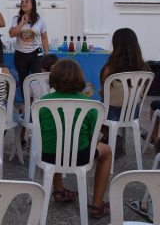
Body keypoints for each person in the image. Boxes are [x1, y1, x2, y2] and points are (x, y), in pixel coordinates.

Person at [39, 59, 112, 219]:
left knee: (56, 141)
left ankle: (58, 189)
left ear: (53, 79)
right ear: (80, 80)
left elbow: (43, 132)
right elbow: (94, 138)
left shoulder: (42, 102)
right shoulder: (91, 106)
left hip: (47, 155)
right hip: (80, 156)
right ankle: (97, 204)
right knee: (106, 152)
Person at [99, 28, 150, 128]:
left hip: (111, 114)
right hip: (133, 113)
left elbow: (105, 94)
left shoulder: (109, 69)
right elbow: (143, 93)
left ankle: (106, 138)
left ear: (115, 45)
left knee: (96, 108)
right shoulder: (145, 68)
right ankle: (112, 137)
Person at [9, 0, 49, 104]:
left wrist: (47, 54)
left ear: (33, 5)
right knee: (24, 80)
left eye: (27, 2)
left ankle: (38, 104)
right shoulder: (16, 18)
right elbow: (12, 34)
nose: (24, 4)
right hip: (20, 54)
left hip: (35, 53)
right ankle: (27, 105)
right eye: (22, 2)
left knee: (37, 80)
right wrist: (22, 22)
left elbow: (44, 37)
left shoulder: (40, 19)